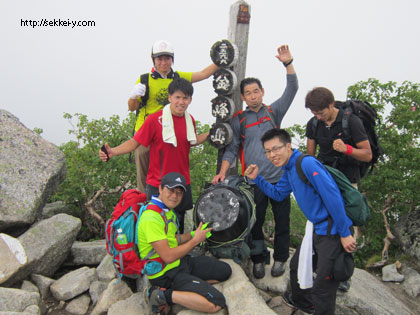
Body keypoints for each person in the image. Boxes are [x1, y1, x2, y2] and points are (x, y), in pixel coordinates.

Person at [245, 128, 356, 315]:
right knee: (296, 268)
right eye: (268, 151)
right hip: (315, 229)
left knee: (323, 287)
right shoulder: (289, 169)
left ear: (288, 146)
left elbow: (333, 197)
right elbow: (278, 194)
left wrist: (344, 233)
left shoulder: (306, 164)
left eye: (276, 149)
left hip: (332, 229)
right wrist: (258, 180)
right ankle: (306, 305)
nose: (272, 155)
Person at [211, 44, 298, 279]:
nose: (253, 96)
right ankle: (259, 259)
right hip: (255, 181)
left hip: (280, 180)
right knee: (255, 222)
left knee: (282, 222)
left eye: (256, 91)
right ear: (242, 97)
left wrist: (288, 63)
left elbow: (292, 89)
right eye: (248, 93)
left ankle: (280, 259)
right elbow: (231, 150)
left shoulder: (273, 112)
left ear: (262, 91)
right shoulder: (240, 120)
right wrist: (222, 172)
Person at [100, 78, 209, 233]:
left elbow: (191, 141)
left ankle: (176, 255)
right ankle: (156, 257)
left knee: (177, 224)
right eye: (177, 97)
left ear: (190, 100)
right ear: (170, 97)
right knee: (157, 227)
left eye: (185, 98)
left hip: (182, 182)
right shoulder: (154, 120)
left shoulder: (189, 120)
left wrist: (211, 133)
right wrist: (113, 151)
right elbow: (135, 142)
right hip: (158, 183)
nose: (181, 102)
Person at [128, 40, 219, 193]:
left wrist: (223, 58)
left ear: (172, 59)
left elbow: (203, 74)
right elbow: (132, 108)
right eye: (159, 58)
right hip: (147, 133)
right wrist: (133, 97)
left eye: (167, 58)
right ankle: (145, 206)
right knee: (145, 176)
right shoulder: (144, 80)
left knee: (170, 173)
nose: (163, 62)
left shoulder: (178, 78)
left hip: (170, 133)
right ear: (153, 59)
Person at [305, 87, 372, 291]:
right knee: (322, 222)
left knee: (346, 223)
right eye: (314, 113)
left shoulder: (351, 122)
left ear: (331, 105)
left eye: (321, 112)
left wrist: (347, 149)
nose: (318, 116)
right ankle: (320, 265)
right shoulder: (314, 124)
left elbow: (367, 155)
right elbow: (310, 156)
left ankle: (343, 273)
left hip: (347, 180)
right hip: (325, 179)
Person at [138, 172, 232, 315]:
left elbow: (172, 239)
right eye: (170, 190)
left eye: (179, 192)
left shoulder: (165, 211)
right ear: (160, 189)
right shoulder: (151, 218)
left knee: (225, 271)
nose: (175, 196)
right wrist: (195, 241)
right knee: (216, 302)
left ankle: (190, 285)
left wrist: (194, 234)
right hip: (165, 273)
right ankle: (161, 295)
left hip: (180, 263)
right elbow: (168, 256)